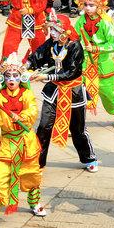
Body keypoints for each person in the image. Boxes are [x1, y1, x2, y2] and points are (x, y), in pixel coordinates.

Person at [0, 53, 46, 228]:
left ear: (21, 78)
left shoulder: (26, 94)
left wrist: (22, 117)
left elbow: (32, 111)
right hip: (7, 142)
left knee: (31, 173)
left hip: (25, 141)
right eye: (8, 76)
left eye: (15, 76)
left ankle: (34, 203)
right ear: (3, 78)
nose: (11, 80)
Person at [26, 10, 98, 172]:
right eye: (51, 30)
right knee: (44, 127)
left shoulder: (75, 47)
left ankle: (89, 158)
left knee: (77, 129)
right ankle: (38, 161)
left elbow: (71, 72)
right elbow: (37, 56)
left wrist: (46, 76)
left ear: (64, 31)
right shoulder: (51, 43)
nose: (51, 33)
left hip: (74, 92)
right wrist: (26, 67)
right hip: (53, 92)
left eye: (55, 30)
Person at [74, 0, 114, 128]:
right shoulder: (80, 21)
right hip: (85, 64)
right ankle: (77, 122)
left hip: (103, 64)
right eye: (86, 5)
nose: (88, 8)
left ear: (99, 5)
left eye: (91, 5)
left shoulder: (105, 22)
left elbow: (113, 44)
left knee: (107, 94)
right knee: (81, 94)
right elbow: (75, 37)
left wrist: (96, 48)